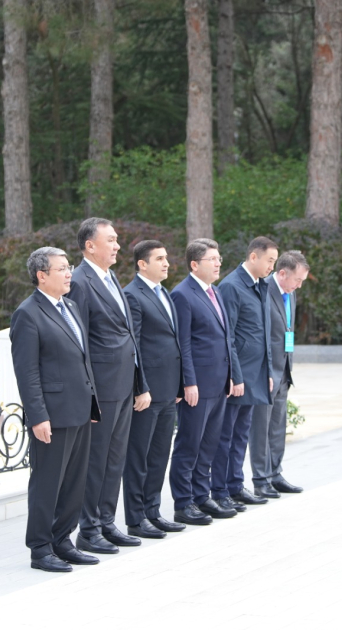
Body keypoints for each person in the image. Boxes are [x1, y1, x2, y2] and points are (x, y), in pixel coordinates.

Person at [10, 247, 101, 573]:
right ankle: (41, 549)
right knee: (48, 483)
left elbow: (82, 359)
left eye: (69, 267)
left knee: (75, 482)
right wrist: (38, 416)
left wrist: (92, 402)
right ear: (41, 275)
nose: (68, 273)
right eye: (61, 268)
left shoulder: (71, 306)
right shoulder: (28, 313)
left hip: (80, 409)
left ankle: (63, 540)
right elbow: (27, 372)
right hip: (52, 414)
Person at [67, 218, 149, 554]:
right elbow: (79, 341)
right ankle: (88, 530)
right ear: (90, 245)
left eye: (117, 240)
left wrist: (139, 383)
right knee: (97, 460)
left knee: (115, 458)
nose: (117, 246)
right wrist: (89, 396)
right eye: (111, 240)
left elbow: (129, 335)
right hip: (101, 388)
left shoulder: (111, 276)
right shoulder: (79, 281)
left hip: (123, 385)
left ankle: (106, 521)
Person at [169, 238, 236, 525]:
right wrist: (188, 382)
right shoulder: (182, 295)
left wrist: (234, 375)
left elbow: (226, 338)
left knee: (209, 444)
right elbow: (182, 343)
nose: (219, 263)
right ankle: (183, 503)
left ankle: (201, 495)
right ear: (195, 264)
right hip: (197, 386)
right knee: (189, 445)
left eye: (219, 258)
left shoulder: (216, 292)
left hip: (219, 383)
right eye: (213, 259)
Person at [122, 240, 186, 539]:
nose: (166, 263)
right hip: (146, 394)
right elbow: (133, 347)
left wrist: (179, 384)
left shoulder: (165, 294)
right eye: (159, 258)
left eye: (166, 257)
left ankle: (153, 511)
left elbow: (173, 343)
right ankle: (135, 519)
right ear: (142, 264)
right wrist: (140, 388)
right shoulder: (132, 296)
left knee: (160, 455)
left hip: (168, 391)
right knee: (139, 456)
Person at [213, 237, 279, 511]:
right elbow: (228, 337)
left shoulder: (261, 286)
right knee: (225, 435)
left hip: (256, 373)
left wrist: (269, 369)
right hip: (238, 378)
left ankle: (236, 485)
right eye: (270, 261)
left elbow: (264, 334)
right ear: (254, 257)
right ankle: (221, 489)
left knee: (241, 434)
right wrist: (235, 376)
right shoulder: (231, 286)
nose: (271, 268)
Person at [250, 250, 310, 498]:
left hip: (284, 369)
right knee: (261, 427)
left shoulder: (290, 294)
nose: (299, 285)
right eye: (297, 280)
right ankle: (261, 478)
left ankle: (275, 473)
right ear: (282, 273)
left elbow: (287, 330)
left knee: (277, 425)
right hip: (266, 371)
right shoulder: (263, 290)